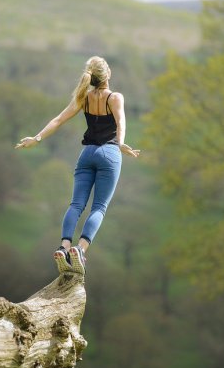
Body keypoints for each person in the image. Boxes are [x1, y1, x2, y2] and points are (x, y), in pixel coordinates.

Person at [15, 56, 140, 274]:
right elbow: (121, 121)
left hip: (87, 155)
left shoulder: (84, 97)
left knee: (76, 205)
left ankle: (63, 247)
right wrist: (120, 144)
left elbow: (58, 120)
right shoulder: (115, 97)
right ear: (107, 74)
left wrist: (37, 138)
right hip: (109, 154)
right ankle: (80, 250)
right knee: (99, 207)